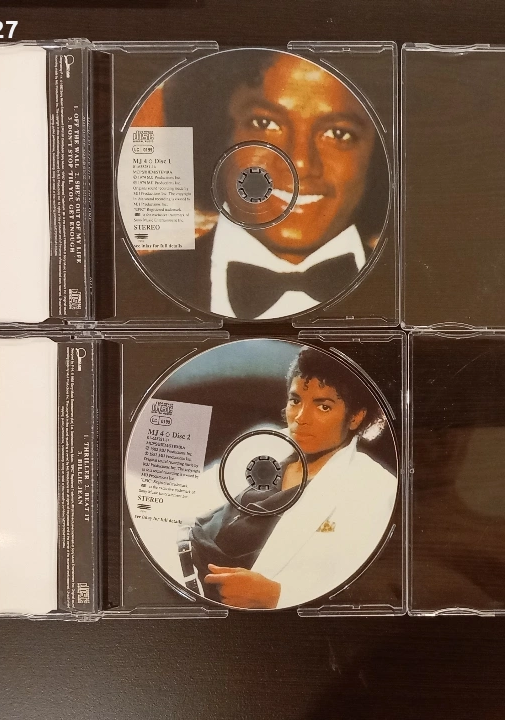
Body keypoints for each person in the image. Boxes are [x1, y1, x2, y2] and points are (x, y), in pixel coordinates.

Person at [137, 50, 388, 319]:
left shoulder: (411, 289)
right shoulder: (132, 286)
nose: (300, 163)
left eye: (338, 133)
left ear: (377, 155)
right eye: (264, 123)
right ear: (216, 134)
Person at [183, 347, 397, 609]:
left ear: (356, 417)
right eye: (295, 401)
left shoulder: (376, 489)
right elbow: (186, 499)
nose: (301, 418)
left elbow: (368, 591)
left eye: (323, 406)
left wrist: (278, 597)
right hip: (180, 574)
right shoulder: (262, 441)